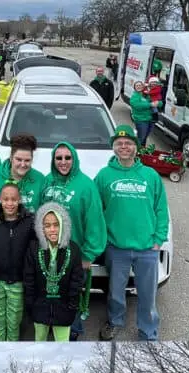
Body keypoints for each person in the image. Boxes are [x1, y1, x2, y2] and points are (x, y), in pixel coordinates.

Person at [94, 125, 169, 341]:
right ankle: (115, 321)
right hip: (116, 247)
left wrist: (158, 240)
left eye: (128, 143)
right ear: (114, 148)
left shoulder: (150, 175)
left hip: (147, 248)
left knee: (147, 296)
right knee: (116, 293)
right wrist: (103, 238)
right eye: (119, 144)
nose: (124, 147)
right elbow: (95, 210)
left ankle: (148, 330)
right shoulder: (104, 175)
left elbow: (161, 209)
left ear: (136, 148)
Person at [40, 142, 108, 340]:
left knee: (72, 296)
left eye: (67, 158)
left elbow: (95, 222)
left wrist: (88, 256)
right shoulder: (47, 182)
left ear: (74, 159)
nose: (63, 162)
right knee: (52, 293)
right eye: (58, 158)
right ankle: (55, 325)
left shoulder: (86, 186)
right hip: (49, 251)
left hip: (75, 253)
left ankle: (74, 330)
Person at [0, 182, 35, 341]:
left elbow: (32, 254)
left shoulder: (28, 222)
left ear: (20, 200)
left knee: (13, 321)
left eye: (14, 199)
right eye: (6, 199)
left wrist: (30, 281)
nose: (10, 203)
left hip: (17, 282)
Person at [23, 202, 86, 342]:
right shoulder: (34, 248)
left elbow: (76, 281)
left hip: (64, 308)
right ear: (41, 228)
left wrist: (72, 306)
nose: (52, 229)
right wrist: (30, 304)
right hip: (40, 306)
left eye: (56, 224)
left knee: (63, 343)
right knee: (39, 342)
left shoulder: (73, 249)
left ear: (63, 225)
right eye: (47, 225)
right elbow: (29, 279)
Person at [128, 80, 154, 147]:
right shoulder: (134, 96)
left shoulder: (146, 94)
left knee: (144, 138)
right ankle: (135, 152)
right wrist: (150, 104)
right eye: (137, 85)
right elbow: (137, 105)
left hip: (149, 119)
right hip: (141, 121)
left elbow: (156, 101)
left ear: (142, 86)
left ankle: (141, 152)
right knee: (140, 138)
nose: (139, 86)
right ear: (134, 87)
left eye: (140, 85)